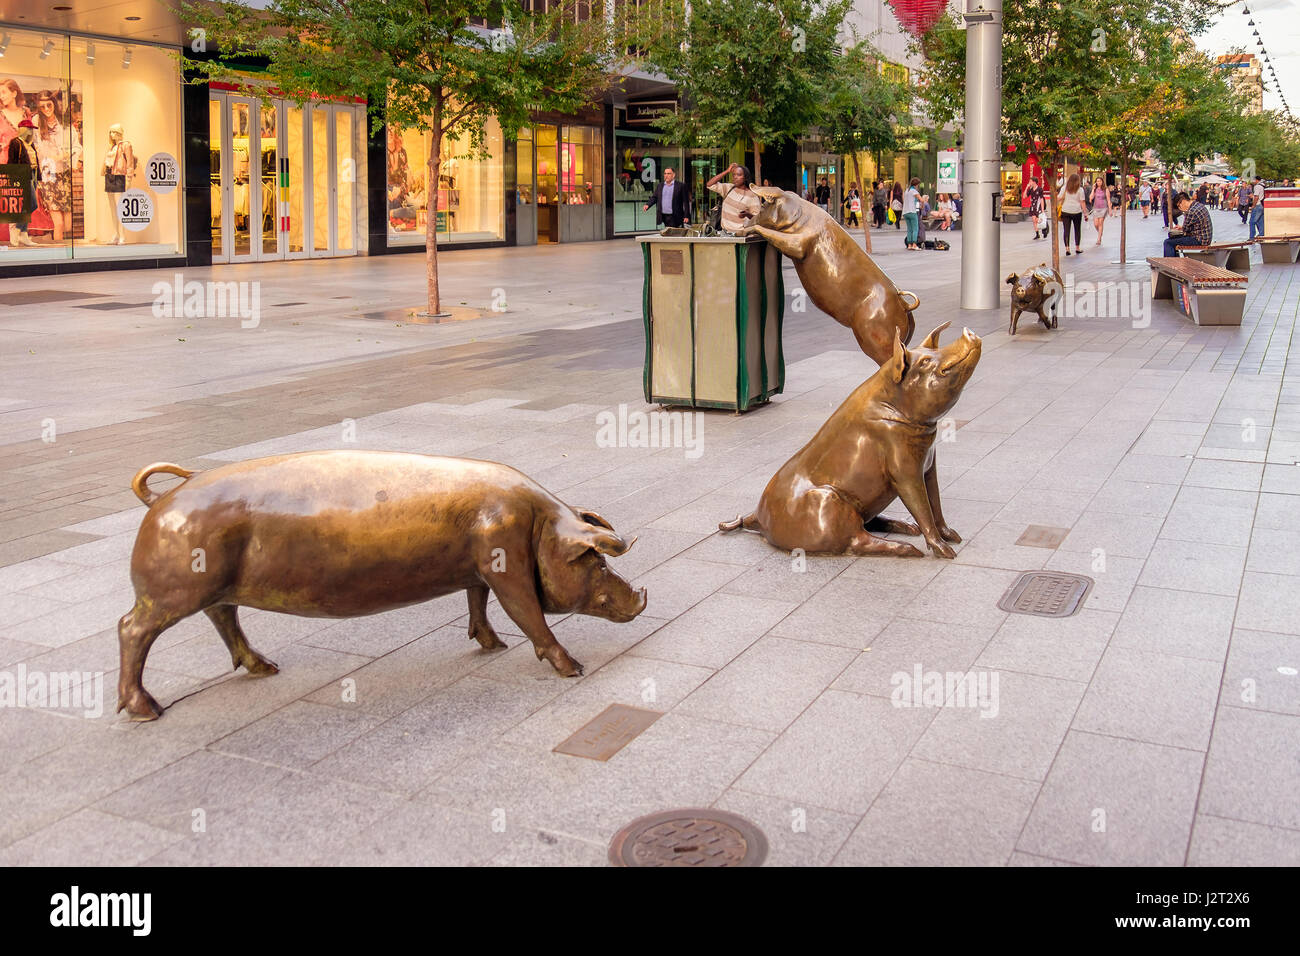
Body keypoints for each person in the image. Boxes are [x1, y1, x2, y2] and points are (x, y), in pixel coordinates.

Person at [33, 90, 81, 243]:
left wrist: (68, 158)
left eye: (49, 104)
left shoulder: (64, 123)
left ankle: (56, 245)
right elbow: (35, 147)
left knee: (68, 224)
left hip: (63, 172)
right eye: (42, 107)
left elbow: (77, 146)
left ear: (54, 103)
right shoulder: (36, 122)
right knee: (58, 223)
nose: (46, 109)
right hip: (48, 171)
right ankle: (58, 257)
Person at [706, 162, 759, 234]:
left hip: (739, 235)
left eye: (739, 175)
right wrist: (727, 171)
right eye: (734, 174)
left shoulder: (752, 196)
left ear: (745, 177)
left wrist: (747, 214)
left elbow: (757, 219)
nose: (735, 177)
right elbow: (709, 184)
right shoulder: (729, 188)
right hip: (723, 233)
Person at [1163, 191, 1212, 258]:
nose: (1180, 208)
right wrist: (1182, 228)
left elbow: (1185, 231)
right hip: (1205, 238)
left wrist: (1184, 213)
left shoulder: (1191, 211)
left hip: (1199, 240)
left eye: (1179, 206)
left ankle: (1170, 264)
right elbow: (1190, 226)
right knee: (1173, 241)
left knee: (1168, 242)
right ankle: (1174, 262)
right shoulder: (1198, 205)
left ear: (1182, 202)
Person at [1058, 172, 1087, 256]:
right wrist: (1085, 213)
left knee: (1066, 230)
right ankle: (1077, 248)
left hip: (1065, 210)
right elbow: (1082, 202)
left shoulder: (1064, 188)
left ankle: (1067, 249)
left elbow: (1059, 198)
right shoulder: (1080, 189)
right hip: (1077, 211)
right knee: (1077, 230)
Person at [901, 176, 922, 250]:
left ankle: (909, 245)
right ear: (916, 185)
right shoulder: (914, 191)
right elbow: (921, 200)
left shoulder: (906, 190)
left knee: (909, 229)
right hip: (912, 211)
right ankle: (914, 244)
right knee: (915, 229)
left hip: (905, 212)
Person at [1090, 178, 1111, 245]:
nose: (1098, 182)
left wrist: (1110, 210)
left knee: (1100, 223)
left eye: (1100, 181)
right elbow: (1091, 198)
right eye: (1097, 181)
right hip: (1096, 208)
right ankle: (1100, 233)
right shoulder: (1095, 189)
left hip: (1103, 208)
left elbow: (1108, 200)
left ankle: (1099, 239)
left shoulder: (1106, 189)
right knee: (1096, 224)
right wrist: (1093, 189)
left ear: (1102, 182)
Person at [1248, 176, 1265, 240]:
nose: (1252, 181)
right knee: (1260, 221)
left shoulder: (1257, 186)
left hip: (1257, 205)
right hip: (1262, 205)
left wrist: (1253, 205)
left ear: (1256, 180)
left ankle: (1252, 237)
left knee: (1252, 222)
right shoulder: (1263, 185)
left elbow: (1256, 197)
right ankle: (1262, 235)